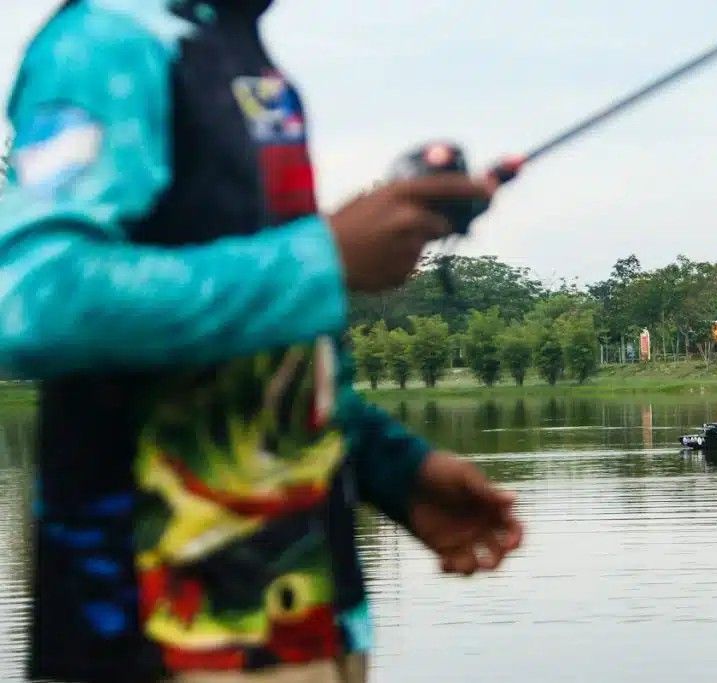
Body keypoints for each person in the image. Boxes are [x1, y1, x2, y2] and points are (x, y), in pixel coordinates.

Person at [0, 2, 521, 682]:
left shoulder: (252, 66)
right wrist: (323, 259)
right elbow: (39, 299)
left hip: (311, 632)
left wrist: (393, 469)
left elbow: (263, 361)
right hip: (156, 645)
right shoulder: (106, 42)